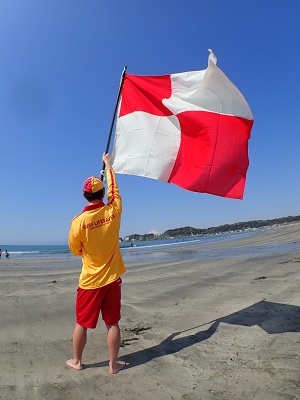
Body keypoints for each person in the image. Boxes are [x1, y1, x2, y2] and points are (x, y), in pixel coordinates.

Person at [66, 153, 127, 374]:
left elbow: (75, 251)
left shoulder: (78, 222)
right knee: (112, 323)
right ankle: (113, 365)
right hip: (112, 280)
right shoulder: (114, 210)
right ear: (102, 194)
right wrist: (109, 165)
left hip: (90, 282)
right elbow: (115, 191)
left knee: (82, 323)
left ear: (84, 195)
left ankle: (77, 361)